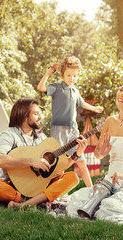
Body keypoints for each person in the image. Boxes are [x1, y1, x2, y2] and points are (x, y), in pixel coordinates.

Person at [66, 79, 123, 222]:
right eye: (121, 89)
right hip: (109, 182)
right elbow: (97, 154)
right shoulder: (110, 121)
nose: (121, 94)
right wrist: (102, 152)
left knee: (109, 209)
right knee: (77, 204)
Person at [0, 98, 88, 208]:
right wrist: (32, 162)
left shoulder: (41, 136)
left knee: (72, 177)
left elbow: (58, 168)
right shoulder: (9, 135)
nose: (40, 117)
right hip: (14, 186)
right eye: (36, 114)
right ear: (24, 116)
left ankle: (24, 205)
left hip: (39, 186)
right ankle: (31, 200)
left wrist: (77, 154)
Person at [37, 56, 104, 187]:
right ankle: (57, 192)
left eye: (75, 75)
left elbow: (82, 103)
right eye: (69, 75)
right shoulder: (56, 88)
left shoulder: (75, 91)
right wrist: (49, 72)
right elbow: (41, 87)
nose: (72, 78)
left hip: (73, 131)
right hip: (59, 130)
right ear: (62, 74)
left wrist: (95, 108)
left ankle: (91, 190)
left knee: (81, 161)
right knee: (60, 164)